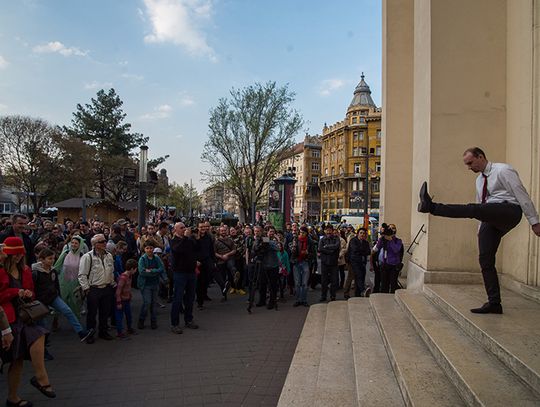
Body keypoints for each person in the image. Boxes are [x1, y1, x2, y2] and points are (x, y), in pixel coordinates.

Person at [418, 147, 540, 314]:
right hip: (490, 217)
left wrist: (534, 221)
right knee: (485, 259)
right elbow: (481, 207)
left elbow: (521, 194)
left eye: (470, 163)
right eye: (467, 164)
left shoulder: (503, 170)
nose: (469, 167)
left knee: (472, 209)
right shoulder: (479, 181)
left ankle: (431, 207)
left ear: (480, 157)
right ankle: (494, 303)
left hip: (509, 210)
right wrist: (480, 228)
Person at [0, 237, 55, 406]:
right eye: (14, 254)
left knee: (36, 338)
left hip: (23, 316)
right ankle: (30, 386)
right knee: (17, 359)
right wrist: (17, 292)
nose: (17, 257)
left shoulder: (25, 270)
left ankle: (36, 380)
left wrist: (28, 293)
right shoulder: (1, 271)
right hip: (7, 319)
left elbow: (32, 290)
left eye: (19, 254)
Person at [31, 248, 92, 343]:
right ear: (42, 259)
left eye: (53, 258)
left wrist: (58, 295)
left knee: (67, 311)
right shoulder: (35, 272)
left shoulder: (53, 271)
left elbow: (56, 284)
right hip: (41, 300)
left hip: (53, 297)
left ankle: (81, 332)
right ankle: (43, 341)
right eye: (49, 259)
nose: (52, 261)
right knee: (43, 322)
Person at [78, 234, 116, 343]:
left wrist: (112, 283)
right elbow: (82, 275)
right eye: (102, 241)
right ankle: (90, 333)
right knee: (92, 313)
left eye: (105, 241)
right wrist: (86, 289)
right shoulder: (87, 257)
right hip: (93, 289)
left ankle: (103, 332)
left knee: (105, 312)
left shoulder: (109, 255)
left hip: (107, 287)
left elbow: (111, 271)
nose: (105, 243)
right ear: (95, 244)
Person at [169, 222, 199, 334]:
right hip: (180, 273)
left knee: (190, 298)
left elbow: (195, 248)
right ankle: (174, 324)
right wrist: (185, 237)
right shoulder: (174, 241)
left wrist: (197, 237)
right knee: (178, 298)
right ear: (175, 230)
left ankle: (189, 319)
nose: (184, 229)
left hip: (191, 272)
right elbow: (178, 250)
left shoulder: (188, 240)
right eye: (181, 228)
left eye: (184, 227)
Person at [54, 235, 86, 318]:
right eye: (72, 243)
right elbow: (57, 266)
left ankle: (77, 324)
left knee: (75, 304)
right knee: (60, 302)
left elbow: (84, 270)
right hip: (63, 282)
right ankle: (55, 319)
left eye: (76, 243)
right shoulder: (65, 253)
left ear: (80, 245)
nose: (73, 245)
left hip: (75, 283)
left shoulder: (82, 256)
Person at [137, 239, 166, 330]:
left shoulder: (156, 258)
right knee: (147, 302)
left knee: (153, 304)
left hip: (155, 283)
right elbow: (142, 272)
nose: (149, 250)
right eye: (147, 248)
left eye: (151, 248)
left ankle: (153, 322)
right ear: (144, 249)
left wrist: (151, 271)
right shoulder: (142, 259)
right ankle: (141, 320)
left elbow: (161, 268)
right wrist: (155, 271)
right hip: (145, 284)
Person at [253, 226, 280, 310]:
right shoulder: (258, 240)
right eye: (255, 231)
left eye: (258, 231)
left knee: (272, 285)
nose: (257, 233)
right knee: (262, 284)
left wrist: (270, 242)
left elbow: (277, 248)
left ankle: (272, 301)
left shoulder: (269, 240)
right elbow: (255, 249)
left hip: (273, 266)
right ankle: (262, 300)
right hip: (263, 265)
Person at [372, 223, 403, 294]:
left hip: (394, 265)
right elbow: (376, 249)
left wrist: (390, 240)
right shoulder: (383, 239)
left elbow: (396, 250)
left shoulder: (398, 241)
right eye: (390, 228)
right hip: (384, 264)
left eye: (393, 228)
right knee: (384, 284)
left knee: (393, 284)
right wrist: (381, 238)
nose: (391, 229)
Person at [318, 224, 341, 302]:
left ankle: (332, 295)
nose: (328, 232)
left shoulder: (336, 238)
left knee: (334, 281)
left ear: (332, 230)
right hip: (324, 262)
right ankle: (323, 296)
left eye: (330, 230)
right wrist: (330, 251)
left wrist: (326, 246)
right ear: (325, 231)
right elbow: (320, 248)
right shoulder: (322, 239)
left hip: (334, 263)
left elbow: (336, 246)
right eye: (327, 230)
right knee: (324, 281)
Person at [115, 259, 138, 339]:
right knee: (119, 317)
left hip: (127, 299)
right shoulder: (123, 277)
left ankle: (129, 328)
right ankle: (119, 332)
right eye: (135, 269)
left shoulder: (129, 276)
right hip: (121, 300)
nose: (136, 270)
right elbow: (118, 291)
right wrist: (118, 302)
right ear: (132, 268)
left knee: (129, 315)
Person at [346, 228, 372, 297]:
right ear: (358, 233)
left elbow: (368, 251)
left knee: (361, 277)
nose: (362, 235)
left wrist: (361, 251)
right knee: (358, 275)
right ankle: (363, 290)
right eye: (361, 233)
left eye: (364, 233)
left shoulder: (365, 242)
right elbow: (355, 250)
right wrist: (363, 251)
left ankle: (358, 294)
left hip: (363, 262)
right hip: (354, 262)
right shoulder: (353, 240)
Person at [289, 226, 311, 307]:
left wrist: (308, 254)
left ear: (306, 234)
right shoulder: (295, 240)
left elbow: (313, 253)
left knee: (304, 283)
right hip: (297, 262)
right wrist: (293, 248)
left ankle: (304, 300)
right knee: (297, 283)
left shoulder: (309, 241)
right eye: (300, 232)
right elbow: (292, 253)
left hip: (305, 262)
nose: (301, 234)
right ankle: (298, 300)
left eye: (303, 233)